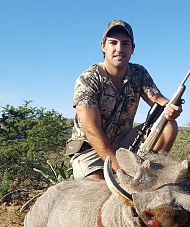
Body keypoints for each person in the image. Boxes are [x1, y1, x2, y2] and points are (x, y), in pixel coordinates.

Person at [66, 19, 183, 180]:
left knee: (167, 124)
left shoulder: (139, 72)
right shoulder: (88, 80)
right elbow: (91, 130)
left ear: (132, 48)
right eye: (113, 43)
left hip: (124, 143)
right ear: (103, 46)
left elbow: (157, 99)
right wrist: (120, 170)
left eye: (125, 43)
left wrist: (171, 107)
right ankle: (132, 176)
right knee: (102, 193)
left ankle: (152, 176)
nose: (119, 49)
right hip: (91, 150)